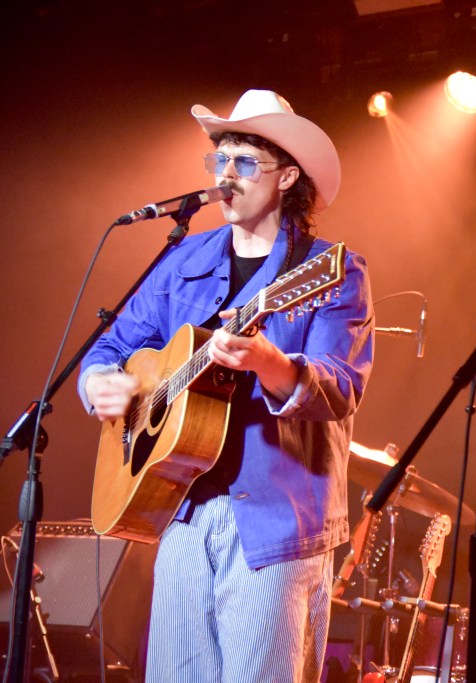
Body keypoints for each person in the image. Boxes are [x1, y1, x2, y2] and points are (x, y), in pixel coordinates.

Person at [78, 89, 374, 682]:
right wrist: (100, 382)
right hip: (181, 511)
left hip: (276, 524)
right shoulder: (182, 259)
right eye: (220, 159)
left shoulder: (330, 271)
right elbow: (110, 345)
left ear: (287, 177)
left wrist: (270, 363)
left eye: (245, 162)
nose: (225, 175)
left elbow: (342, 388)